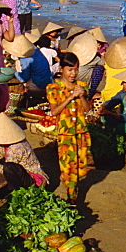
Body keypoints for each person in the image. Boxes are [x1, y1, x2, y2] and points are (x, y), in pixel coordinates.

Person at [46, 52, 92, 202]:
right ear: (61, 69)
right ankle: (71, 198)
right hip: (66, 134)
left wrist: (82, 96)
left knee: (80, 167)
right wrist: (70, 98)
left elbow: (87, 109)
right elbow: (54, 111)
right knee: (68, 167)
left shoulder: (82, 86)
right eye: (70, 70)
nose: (73, 73)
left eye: (76, 70)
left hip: (81, 132)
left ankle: (73, 189)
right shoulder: (53, 88)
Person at [9, 33, 52, 106]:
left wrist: (14, 72)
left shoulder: (26, 56)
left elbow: (24, 78)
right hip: (47, 81)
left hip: (38, 84)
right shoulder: (36, 50)